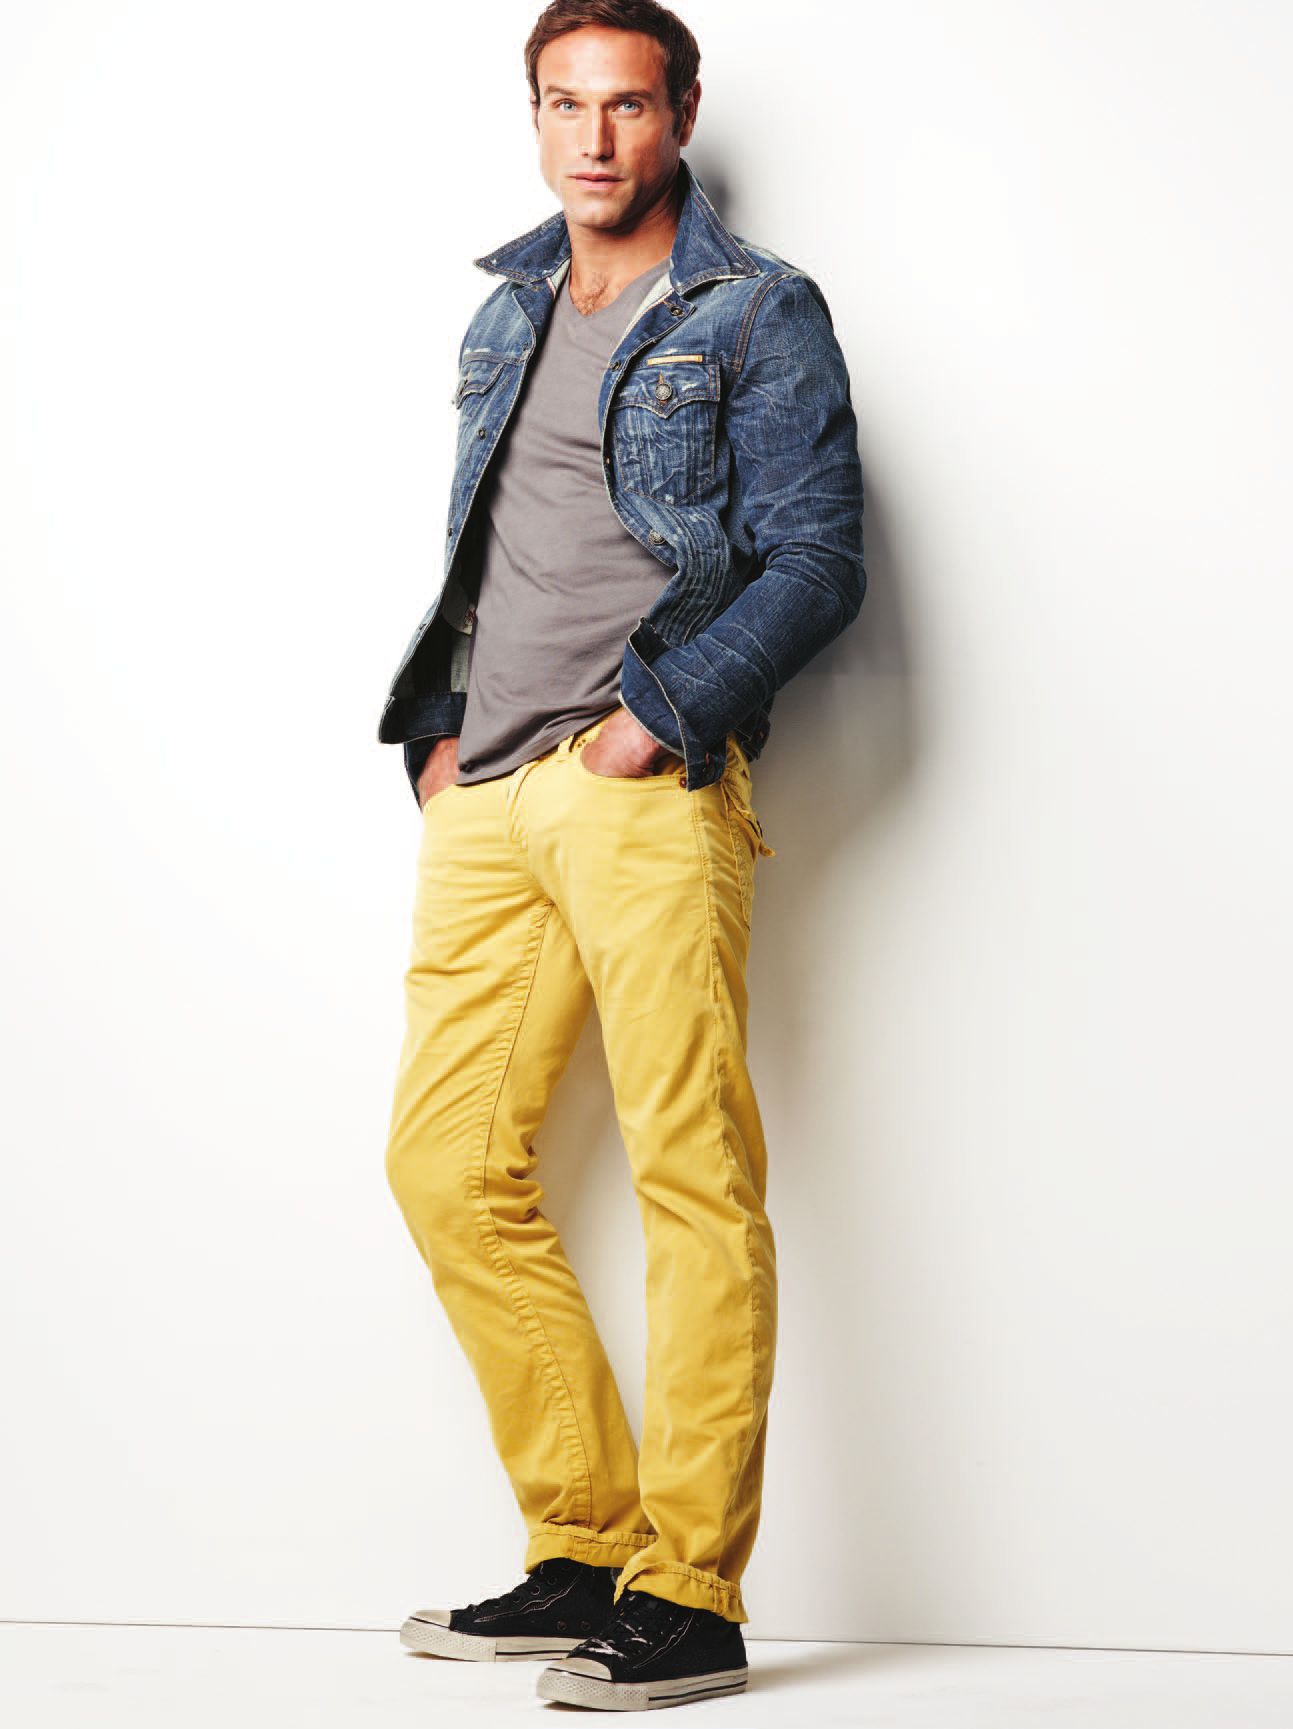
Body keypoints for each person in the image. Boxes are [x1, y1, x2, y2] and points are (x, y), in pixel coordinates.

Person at [379, 0, 865, 1709]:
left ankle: (691, 1593)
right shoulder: (507, 310)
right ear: (533, 117)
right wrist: (445, 727)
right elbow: (498, 541)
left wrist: (656, 720)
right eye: (565, 104)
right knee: (444, 1165)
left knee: (689, 1173)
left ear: (681, 114)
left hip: (639, 779)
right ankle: (583, 1542)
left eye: (627, 105)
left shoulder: (753, 310)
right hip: (488, 794)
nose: (595, 138)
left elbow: (818, 560)